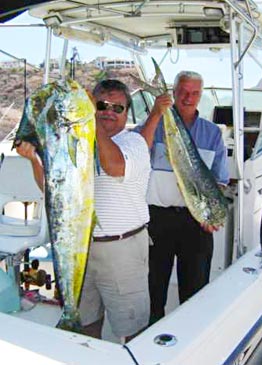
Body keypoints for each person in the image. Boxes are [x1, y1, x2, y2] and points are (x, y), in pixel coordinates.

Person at [16, 79, 151, 343]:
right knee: (86, 322)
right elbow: (52, 188)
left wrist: (90, 121)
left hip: (121, 251)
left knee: (132, 330)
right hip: (79, 248)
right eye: (101, 105)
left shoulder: (134, 143)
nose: (108, 111)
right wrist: (33, 158)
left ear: (127, 114)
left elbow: (114, 166)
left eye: (118, 108)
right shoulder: (79, 139)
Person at [139, 71, 229, 324]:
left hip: (195, 223)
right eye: (183, 92)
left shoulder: (212, 134)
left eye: (195, 93)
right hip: (157, 218)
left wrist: (207, 213)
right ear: (174, 92)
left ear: (201, 95)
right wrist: (156, 113)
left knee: (195, 290)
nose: (188, 98)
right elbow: (134, 148)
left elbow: (219, 181)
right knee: (153, 287)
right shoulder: (153, 125)